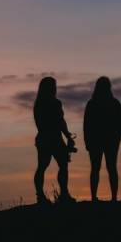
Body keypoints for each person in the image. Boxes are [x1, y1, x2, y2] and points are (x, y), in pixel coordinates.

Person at [32, 76, 75, 204]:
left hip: (49, 139)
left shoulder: (42, 103)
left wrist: (68, 136)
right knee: (49, 166)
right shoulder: (48, 104)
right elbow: (59, 121)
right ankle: (49, 195)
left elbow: (61, 121)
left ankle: (59, 194)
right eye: (53, 87)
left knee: (52, 166)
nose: (55, 89)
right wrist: (67, 136)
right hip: (51, 138)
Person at [83, 76, 121, 202]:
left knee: (98, 169)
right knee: (109, 168)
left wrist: (87, 141)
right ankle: (112, 198)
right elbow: (120, 125)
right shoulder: (114, 104)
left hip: (99, 141)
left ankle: (97, 197)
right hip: (107, 141)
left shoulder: (92, 104)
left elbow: (86, 125)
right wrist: (117, 140)